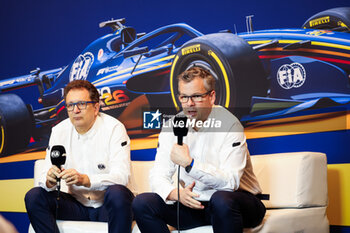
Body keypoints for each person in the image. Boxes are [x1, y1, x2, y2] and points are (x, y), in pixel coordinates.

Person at [132, 66, 266, 233]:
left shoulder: (230, 125)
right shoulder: (173, 125)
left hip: (238, 203)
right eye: (184, 97)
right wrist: (174, 193)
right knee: (143, 203)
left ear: (212, 96)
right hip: (195, 204)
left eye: (196, 96)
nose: (189, 104)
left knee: (221, 199)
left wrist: (190, 164)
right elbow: (158, 174)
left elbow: (231, 182)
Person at [25, 80, 134, 233]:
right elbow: (44, 175)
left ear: (96, 107)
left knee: (117, 193)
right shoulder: (59, 131)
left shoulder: (114, 128)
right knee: (34, 196)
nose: (75, 110)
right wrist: (49, 180)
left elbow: (122, 177)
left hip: (107, 206)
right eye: (70, 105)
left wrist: (86, 180)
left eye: (81, 104)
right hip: (76, 206)